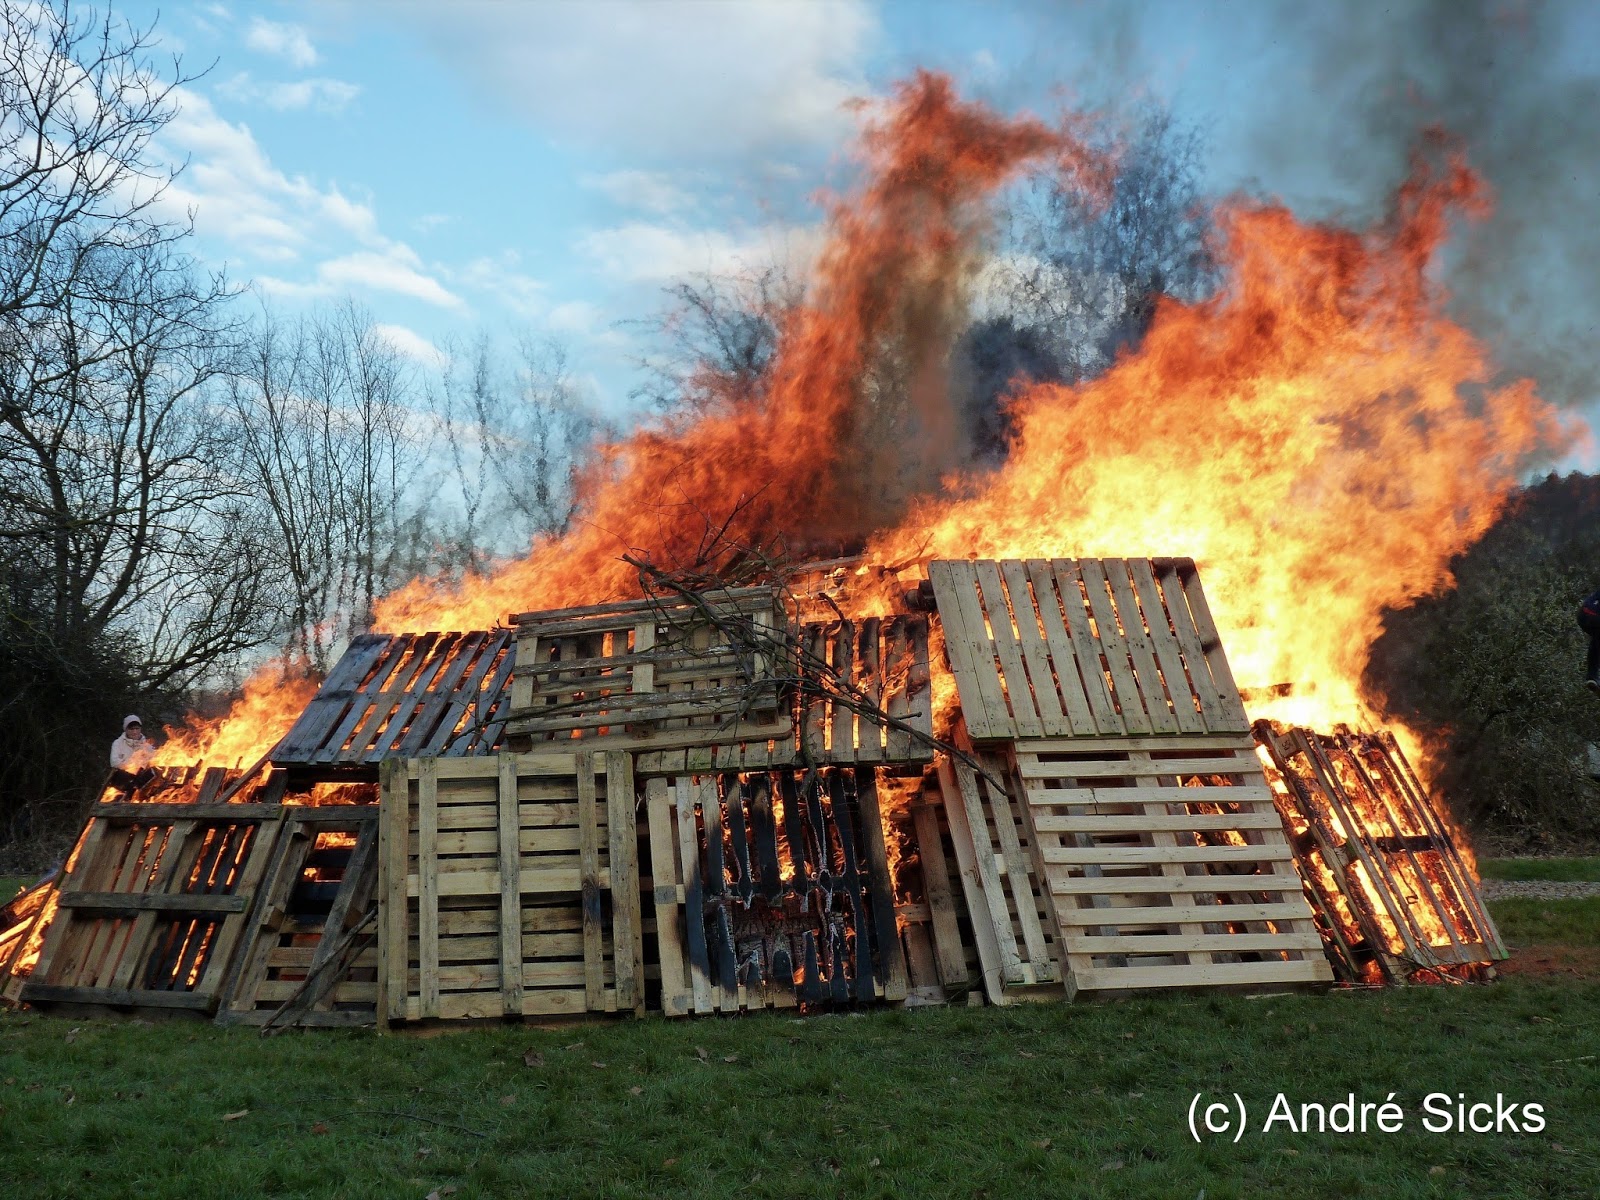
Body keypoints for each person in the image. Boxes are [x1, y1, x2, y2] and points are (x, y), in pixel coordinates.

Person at [109, 714, 157, 786]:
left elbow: (154, 761)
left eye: (137, 728)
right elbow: (114, 762)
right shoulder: (118, 743)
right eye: (131, 729)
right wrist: (133, 765)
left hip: (143, 781)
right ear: (126, 729)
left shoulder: (147, 745)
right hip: (123, 782)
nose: (135, 732)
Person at [1581, 587, 1600, 692]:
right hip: (1594, 617)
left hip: (1583, 614)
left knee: (1597, 637)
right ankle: (1592, 676)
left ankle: (1592, 676)